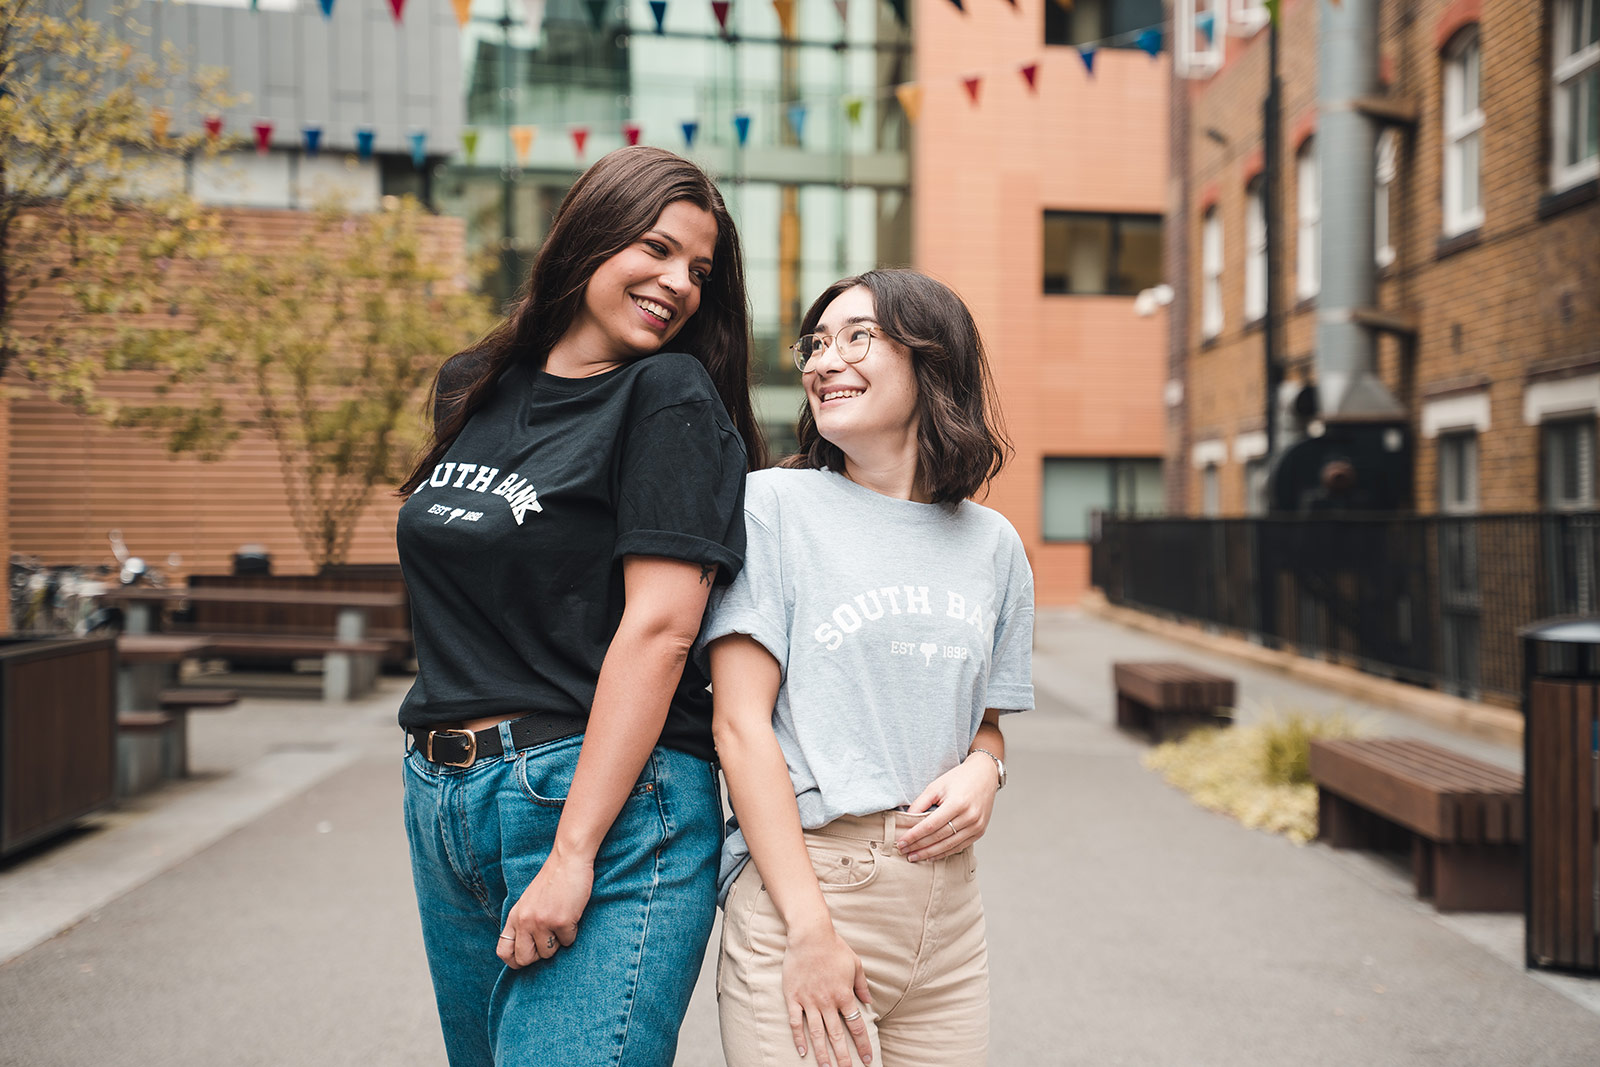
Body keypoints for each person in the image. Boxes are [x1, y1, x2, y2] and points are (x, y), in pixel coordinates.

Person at [393, 146, 765, 1067]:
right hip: (444, 795)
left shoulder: (668, 396)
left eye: (700, 271)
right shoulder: (474, 384)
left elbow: (663, 627)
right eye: (656, 248)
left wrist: (572, 851)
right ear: (589, 238)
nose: (679, 283)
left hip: (606, 801)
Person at [702, 269, 1034, 1067]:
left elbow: (981, 725)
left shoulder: (995, 546)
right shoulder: (772, 507)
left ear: (932, 361)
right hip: (810, 888)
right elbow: (739, 726)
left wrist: (987, 771)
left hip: (948, 917)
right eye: (816, 343)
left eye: (857, 337)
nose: (823, 361)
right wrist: (810, 929)